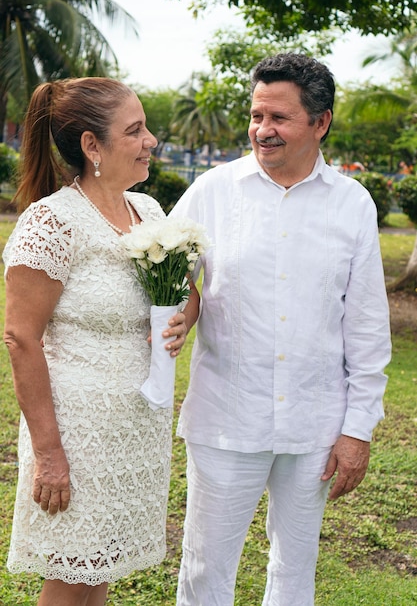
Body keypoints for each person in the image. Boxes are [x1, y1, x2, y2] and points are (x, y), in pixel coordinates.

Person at [171, 53, 392, 606]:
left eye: (279, 118)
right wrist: (182, 307)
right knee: (205, 569)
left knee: (296, 571)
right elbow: (171, 283)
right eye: (256, 115)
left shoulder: (352, 204)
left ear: (321, 122)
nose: (262, 131)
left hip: (316, 422)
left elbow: (365, 325)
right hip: (226, 417)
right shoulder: (210, 192)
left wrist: (358, 429)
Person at [2, 77, 197, 606]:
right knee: (70, 576)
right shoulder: (51, 223)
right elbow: (21, 338)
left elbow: (183, 297)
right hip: (76, 431)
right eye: (134, 131)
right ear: (92, 146)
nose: (151, 140)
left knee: (100, 568)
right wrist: (48, 454)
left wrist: (182, 319)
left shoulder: (150, 214)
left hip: (137, 427)